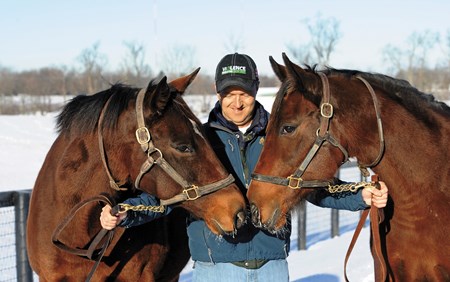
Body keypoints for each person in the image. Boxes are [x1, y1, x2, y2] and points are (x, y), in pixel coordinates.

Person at [100, 53, 389, 281]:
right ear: (217, 92)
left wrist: (361, 196)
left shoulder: (277, 140)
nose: (237, 103)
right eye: (229, 94)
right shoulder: (199, 142)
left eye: (245, 94)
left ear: (256, 90)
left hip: (271, 267)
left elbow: (314, 188)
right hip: (215, 270)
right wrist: (124, 213)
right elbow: (164, 197)